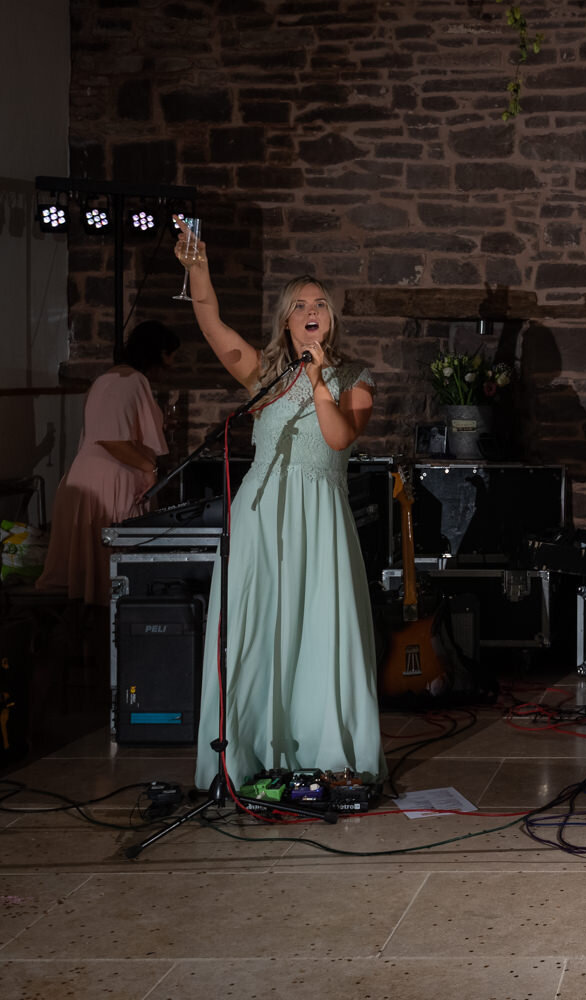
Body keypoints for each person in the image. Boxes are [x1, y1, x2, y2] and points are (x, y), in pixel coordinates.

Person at [173, 217, 385, 792]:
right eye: (299, 304)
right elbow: (211, 322)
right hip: (262, 514)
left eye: (320, 303)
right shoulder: (262, 375)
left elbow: (340, 438)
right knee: (255, 629)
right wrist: (198, 266)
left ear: (330, 318)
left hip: (319, 518)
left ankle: (323, 751)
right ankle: (249, 752)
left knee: (319, 630)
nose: (311, 310)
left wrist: (319, 381)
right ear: (285, 319)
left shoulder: (352, 379)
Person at [37, 320, 179, 606]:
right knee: (112, 569)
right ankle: (108, 641)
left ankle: (96, 642)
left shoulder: (110, 379)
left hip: (93, 477)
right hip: (107, 482)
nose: (174, 363)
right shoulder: (128, 380)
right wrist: (148, 469)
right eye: (173, 355)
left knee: (97, 573)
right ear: (160, 353)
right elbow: (111, 439)